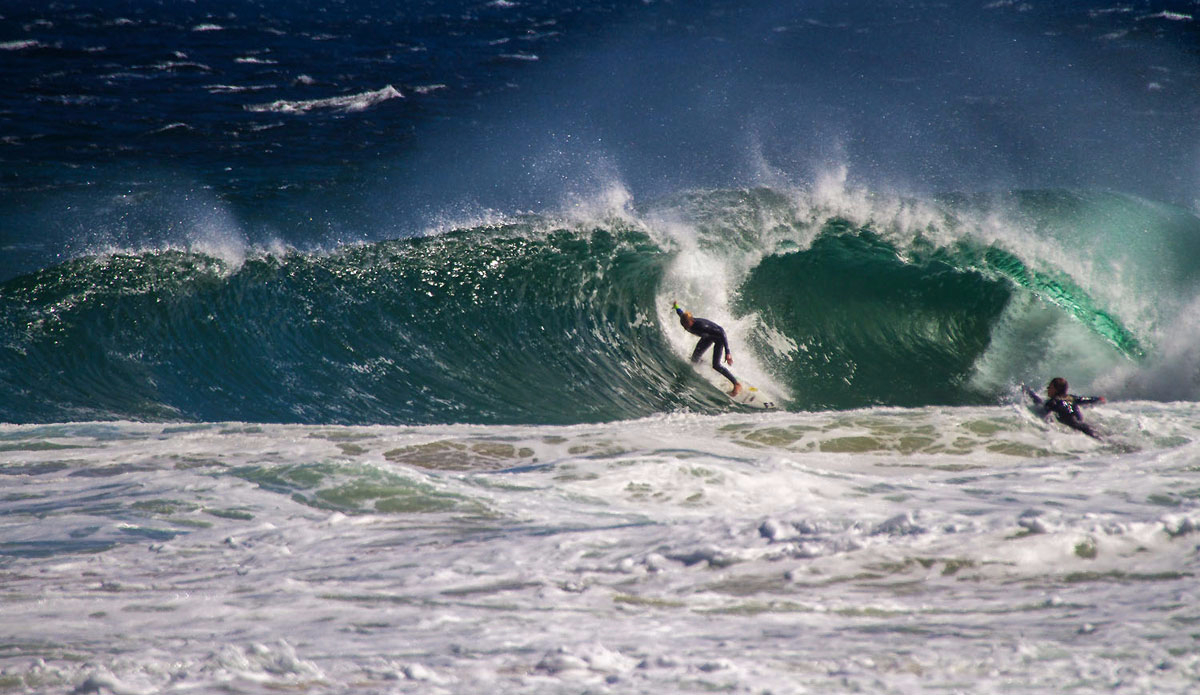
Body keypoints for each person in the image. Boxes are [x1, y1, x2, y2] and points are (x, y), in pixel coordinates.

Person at [673, 302, 742, 396]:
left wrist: (728, 352)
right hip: (707, 337)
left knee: (716, 365)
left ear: (691, 321)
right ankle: (708, 366)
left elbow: (721, 331)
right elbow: (680, 312)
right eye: (683, 326)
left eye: (685, 325)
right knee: (694, 359)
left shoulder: (701, 325)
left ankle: (736, 384)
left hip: (718, 339)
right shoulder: (685, 319)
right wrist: (676, 306)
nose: (685, 327)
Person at [1022, 377, 1106, 439]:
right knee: (1101, 437)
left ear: (1055, 390)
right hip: (1082, 424)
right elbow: (1085, 399)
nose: (1047, 389)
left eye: (1049, 387)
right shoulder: (1071, 398)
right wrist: (1098, 399)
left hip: (1074, 427)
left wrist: (1030, 395)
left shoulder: (1053, 402)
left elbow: (1041, 409)